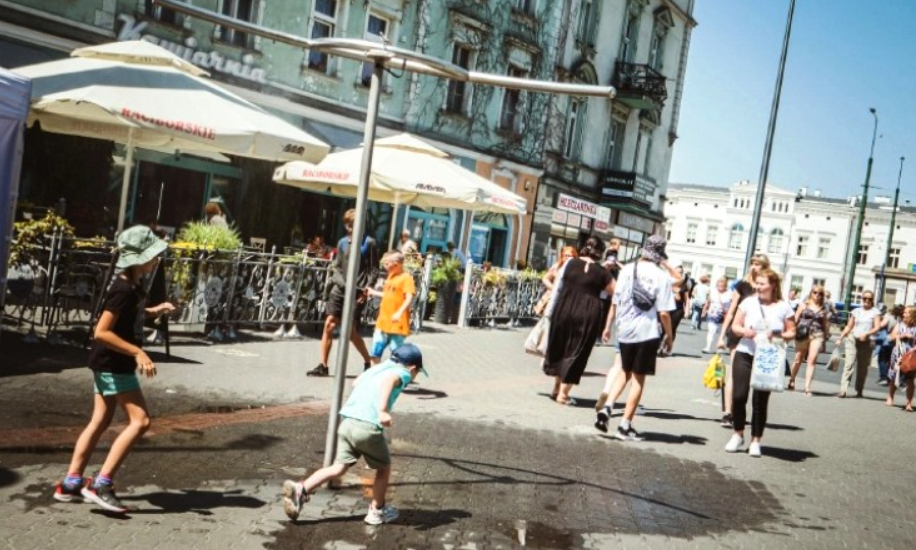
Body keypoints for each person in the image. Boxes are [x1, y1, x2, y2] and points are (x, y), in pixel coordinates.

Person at [53, 226, 175, 513]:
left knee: (100, 421)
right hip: (114, 363)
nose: (156, 260)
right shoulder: (122, 287)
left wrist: (153, 311)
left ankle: (71, 483)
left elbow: (127, 315)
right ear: (136, 259)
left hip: (107, 362)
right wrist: (138, 351)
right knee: (141, 422)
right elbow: (102, 331)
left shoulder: (130, 286)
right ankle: (101, 484)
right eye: (152, 256)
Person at [281, 344, 427, 524]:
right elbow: (390, 381)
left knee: (338, 468)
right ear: (412, 367)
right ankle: (377, 511)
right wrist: (382, 410)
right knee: (383, 469)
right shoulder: (402, 372)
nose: (414, 376)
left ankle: (301, 490)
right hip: (367, 428)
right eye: (417, 372)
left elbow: (356, 381)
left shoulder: (377, 368)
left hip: (348, 422)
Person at [598, 235, 674, 441]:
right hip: (646, 332)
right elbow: (665, 313)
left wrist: (610, 325)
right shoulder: (661, 276)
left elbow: (617, 300)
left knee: (624, 371)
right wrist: (669, 336)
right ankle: (625, 424)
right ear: (659, 255)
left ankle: (607, 408)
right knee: (638, 379)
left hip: (625, 330)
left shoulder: (627, 270)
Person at [725, 268, 796, 458]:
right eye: (757, 283)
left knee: (760, 401)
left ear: (773, 286)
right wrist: (743, 332)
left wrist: (779, 334)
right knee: (739, 396)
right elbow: (735, 325)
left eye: (762, 283)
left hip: (768, 357)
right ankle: (738, 433)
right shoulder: (748, 302)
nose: (757, 286)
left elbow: (792, 332)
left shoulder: (784, 307)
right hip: (745, 352)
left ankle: (756, 440)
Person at [543, 237, 615, 405]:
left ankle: (556, 389)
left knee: (561, 347)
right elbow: (617, 292)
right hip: (588, 314)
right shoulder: (602, 273)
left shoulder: (569, 264)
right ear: (600, 252)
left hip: (564, 308)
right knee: (577, 352)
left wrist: (550, 312)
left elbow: (558, 286)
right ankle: (563, 394)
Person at [308, 209, 380, 377]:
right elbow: (337, 267)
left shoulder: (369, 243)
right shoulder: (342, 243)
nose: (352, 228)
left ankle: (367, 360)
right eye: (350, 224)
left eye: (355, 224)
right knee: (329, 324)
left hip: (357, 292)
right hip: (339, 290)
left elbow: (374, 270)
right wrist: (343, 284)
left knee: (349, 332)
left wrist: (367, 288)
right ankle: (323, 365)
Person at [716, 254, 771, 428]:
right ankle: (728, 412)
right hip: (738, 333)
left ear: (765, 267)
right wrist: (721, 335)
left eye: (758, 264)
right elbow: (731, 312)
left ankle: (745, 410)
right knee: (735, 372)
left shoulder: (768, 287)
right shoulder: (742, 285)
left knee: (754, 375)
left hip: (760, 335)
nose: (754, 267)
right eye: (752, 263)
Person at [366, 251, 415, 364]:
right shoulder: (391, 276)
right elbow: (389, 295)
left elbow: (408, 298)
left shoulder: (406, 278)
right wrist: (374, 292)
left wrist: (399, 312)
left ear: (396, 264)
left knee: (396, 355)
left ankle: (392, 377)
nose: (385, 266)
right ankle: (376, 375)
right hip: (383, 322)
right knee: (375, 353)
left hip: (398, 325)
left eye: (387, 263)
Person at [834, 290, 882, 398]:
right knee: (848, 365)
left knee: (862, 368)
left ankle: (859, 390)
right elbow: (849, 326)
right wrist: (840, 338)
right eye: (864, 298)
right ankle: (843, 390)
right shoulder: (856, 311)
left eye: (869, 299)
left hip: (866, 343)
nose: (866, 300)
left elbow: (877, 327)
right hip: (852, 340)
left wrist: (867, 334)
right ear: (862, 299)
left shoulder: (875, 312)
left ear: (872, 300)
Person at [788, 285, 831, 395]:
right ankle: (792, 379)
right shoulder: (804, 305)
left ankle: (807, 387)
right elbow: (796, 318)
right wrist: (792, 331)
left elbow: (825, 324)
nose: (817, 295)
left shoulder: (824, 308)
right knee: (798, 359)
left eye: (820, 293)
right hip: (802, 334)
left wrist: (825, 339)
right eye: (815, 292)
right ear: (811, 293)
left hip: (817, 335)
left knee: (811, 361)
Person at [887, 306, 916, 411]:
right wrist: (903, 335)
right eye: (904, 312)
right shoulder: (899, 325)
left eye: (906, 312)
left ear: (912, 315)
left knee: (910, 379)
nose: (904, 314)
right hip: (898, 353)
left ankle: (908, 403)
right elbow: (891, 337)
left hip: (911, 355)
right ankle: (890, 396)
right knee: (895, 375)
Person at [658, 264, 687, 356]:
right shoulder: (667, 281)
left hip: (678, 309)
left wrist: (687, 310)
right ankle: (660, 346)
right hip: (666, 307)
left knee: (672, 328)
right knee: (663, 327)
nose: (679, 273)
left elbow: (687, 299)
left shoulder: (684, 285)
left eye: (681, 272)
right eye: (677, 271)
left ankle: (667, 347)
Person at [701, 277, 731, 353]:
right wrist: (704, 310)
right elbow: (708, 301)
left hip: (723, 316)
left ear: (725, 285)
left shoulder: (730, 293)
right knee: (711, 331)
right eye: (719, 285)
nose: (720, 287)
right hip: (712, 314)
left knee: (721, 332)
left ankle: (719, 347)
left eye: (722, 285)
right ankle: (708, 347)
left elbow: (732, 304)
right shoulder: (713, 292)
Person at [875, 305, 900, 386]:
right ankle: (890, 378)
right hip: (894, 342)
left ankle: (884, 377)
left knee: (881, 359)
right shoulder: (898, 319)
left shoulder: (888, 316)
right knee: (889, 360)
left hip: (887, 340)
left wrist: (875, 323)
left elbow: (881, 325)